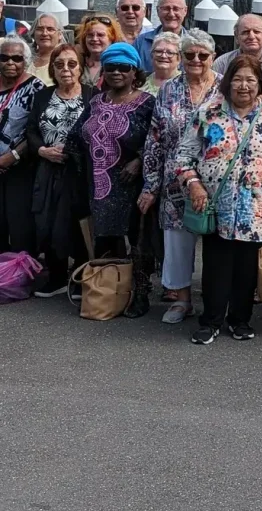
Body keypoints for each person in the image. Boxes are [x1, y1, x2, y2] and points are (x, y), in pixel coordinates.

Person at [177, 55, 262, 345]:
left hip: (258, 208)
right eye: (238, 79)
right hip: (217, 206)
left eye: (250, 80)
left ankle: (239, 319)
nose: (244, 86)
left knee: (247, 270)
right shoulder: (208, 112)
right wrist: (195, 186)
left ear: (260, 84)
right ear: (228, 82)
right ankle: (211, 320)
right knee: (216, 266)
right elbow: (183, 156)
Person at [66, 43, 155, 317]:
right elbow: (75, 137)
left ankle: (140, 295)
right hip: (99, 184)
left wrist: (139, 161)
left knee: (137, 242)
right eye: (111, 67)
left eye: (123, 67)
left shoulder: (147, 103)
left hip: (131, 184)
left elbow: (157, 140)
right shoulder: (96, 101)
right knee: (103, 239)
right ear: (103, 70)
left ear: (134, 72)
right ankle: (107, 292)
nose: (117, 72)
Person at [139, 30, 220, 324]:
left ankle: (215, 298)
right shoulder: (169, 89)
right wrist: (150, 185)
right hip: (175, 179)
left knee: (217, 241)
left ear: (213, 57)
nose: (196, 60)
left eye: (203, 55)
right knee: (176, 241)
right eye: (189, 55)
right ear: (181, 58)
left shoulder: (225, 88)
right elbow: (155, 139)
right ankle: (182, 299)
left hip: (217, 179)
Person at [27, 44, 96, 296]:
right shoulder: (43, 96)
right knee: (47, 219)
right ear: (53, 68)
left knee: (77, 222)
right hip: (48, 170)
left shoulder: (92, 94)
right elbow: (31, 130)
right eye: (59, 64)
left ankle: (78, 278)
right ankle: (56, 277)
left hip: (78, 172)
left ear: (80, 67)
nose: (66, 69)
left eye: (71, 64)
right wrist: (41, 150)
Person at [0, 37, 46, 254]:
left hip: (19, 167)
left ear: (25, 61)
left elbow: (37, 130)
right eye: (4, 58)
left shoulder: (36, 88)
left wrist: (12, 157)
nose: (10, 63)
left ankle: (20, 276)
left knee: (19, 224)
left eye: (17, 58)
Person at [135, 0, 187, 72]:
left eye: (176, 9)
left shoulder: (193, 45)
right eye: (166, 8)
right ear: (158, 11)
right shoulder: (141, 42)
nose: (171, 14)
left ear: (185, 11)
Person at [212, 13, 262, 78]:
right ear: (236, 37)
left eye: (256, 31)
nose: (251, 37)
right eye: (246, 32)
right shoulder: (222, 64)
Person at [76, 15, 123, 86]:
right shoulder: (76, 63)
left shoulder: (120, 65)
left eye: (100, 35)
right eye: (90, 35)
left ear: (112, 38)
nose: (94, 39)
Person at [29, 12, 63, 85]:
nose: (44, 33)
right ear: (33, 33)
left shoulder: (63, 60)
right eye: (40, 29)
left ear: (59, 34)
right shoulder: (25, 57)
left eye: (50, 29)